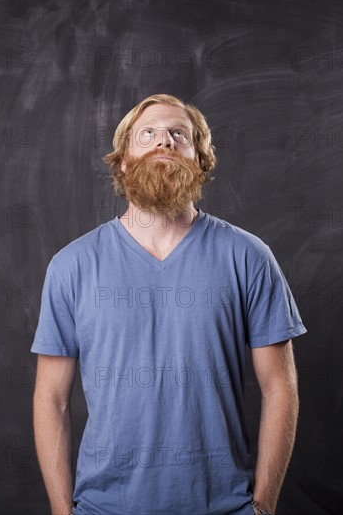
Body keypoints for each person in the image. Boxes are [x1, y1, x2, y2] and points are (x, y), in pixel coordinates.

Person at [30, 94, 308, 515]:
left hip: (223, 508)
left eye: (180, 135)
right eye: (149, 134)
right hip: (103, 509)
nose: (165, 142)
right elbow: (52, 398)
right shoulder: (72, 265)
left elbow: (279, 388)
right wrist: (60, 512)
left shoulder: (248, 256)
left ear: (200, 160)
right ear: (123, 160)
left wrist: (263, 508)